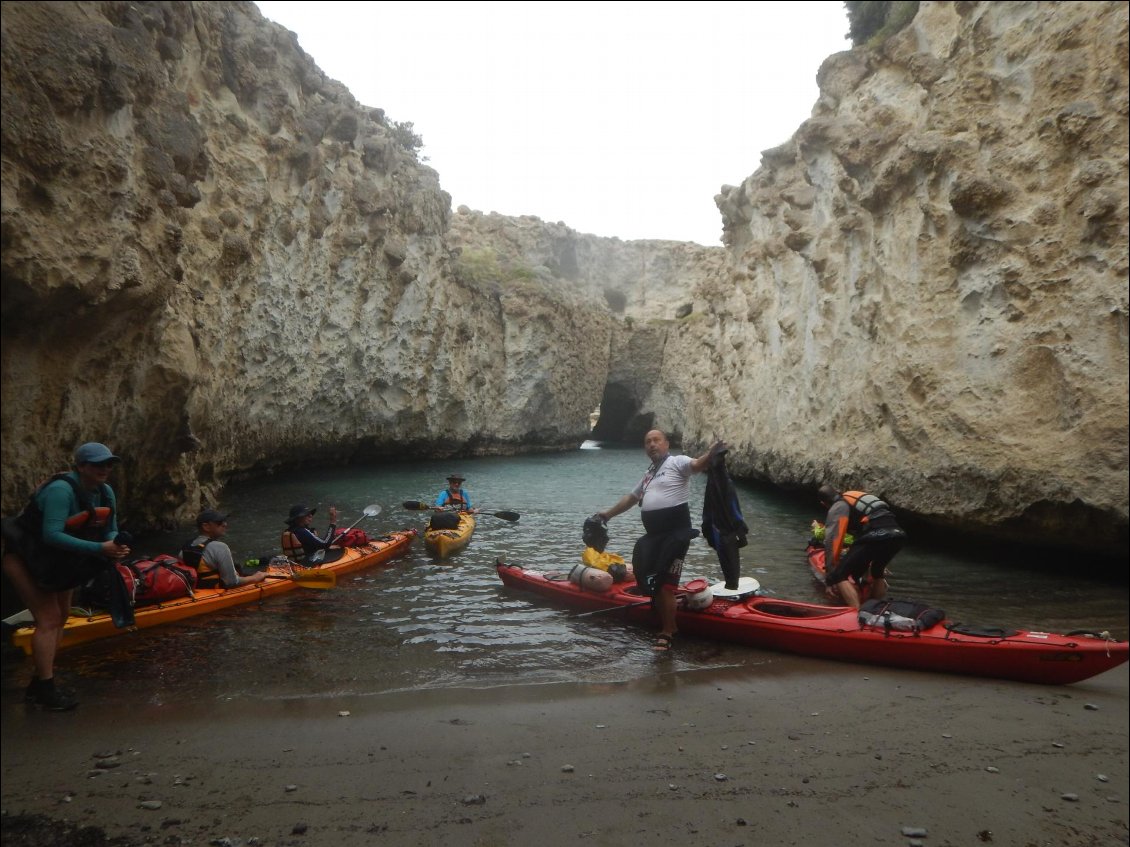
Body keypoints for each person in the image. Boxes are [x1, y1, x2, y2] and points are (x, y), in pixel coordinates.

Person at [0, 442, 131, 710]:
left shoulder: (105, 493)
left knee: (61, 616)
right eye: (97, 464)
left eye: (108, 464)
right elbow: (52, 534)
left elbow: (110, 529)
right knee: (48, 619)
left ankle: (39, 684)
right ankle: (46, 690)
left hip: (60, 560)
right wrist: (99, 548)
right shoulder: (61, 490)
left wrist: (115, 545)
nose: (104, 469)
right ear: (81, 466)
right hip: (24, 557)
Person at [596, 430, 724, 652]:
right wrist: (607, 514)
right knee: (647, 575)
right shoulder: (649, 474)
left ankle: (668, 631)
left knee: (665, 583)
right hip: (655, 536)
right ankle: (661, 615)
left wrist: (711, 453)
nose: (652, 444)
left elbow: (697, 465)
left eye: (657, 440)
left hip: (676, 533)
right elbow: (631, 498)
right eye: (648, 442)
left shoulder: (677, 462)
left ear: (666, 444)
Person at [817, 484, 907, 609]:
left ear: (824, 503)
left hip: (875, 535)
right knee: (877, 571)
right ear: (839, 491)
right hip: (898, 535)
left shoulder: (838, 507)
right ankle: (875, 608)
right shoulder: (856, 498)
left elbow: (833, 542)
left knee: (839, 575)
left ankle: (857, 615)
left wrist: (830, 578)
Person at [181, 510, 268, 588]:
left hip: (196, 591)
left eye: (224, 521)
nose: (225, 524)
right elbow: (232, 582)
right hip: (216, 593)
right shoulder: (220, 547)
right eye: (219, 522)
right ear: (206, 526)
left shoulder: (185, 548)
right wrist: (255, 578)